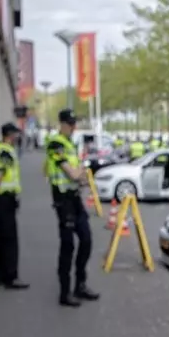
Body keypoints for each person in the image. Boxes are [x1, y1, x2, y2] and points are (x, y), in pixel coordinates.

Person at [46, 109, 100, 307]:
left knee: (86, 240)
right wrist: (80, 173)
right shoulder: (55, 143)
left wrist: (80, 174)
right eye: (70, 123)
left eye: (74, 123)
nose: (73, 127)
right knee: (68, 246)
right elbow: (74, 174)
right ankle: (65, 292)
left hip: (75, 199)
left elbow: (81, 176)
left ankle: (81, 285)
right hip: (63, 201)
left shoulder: (69, 144)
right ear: (62, 124)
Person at [0, 123, 29, 290]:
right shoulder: (5, 152)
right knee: (10, 239)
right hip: (4, 198)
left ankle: (0, 275)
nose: (18, 137)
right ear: (9, 135)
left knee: (1, 237)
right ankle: (11, 277)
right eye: (16, 135)